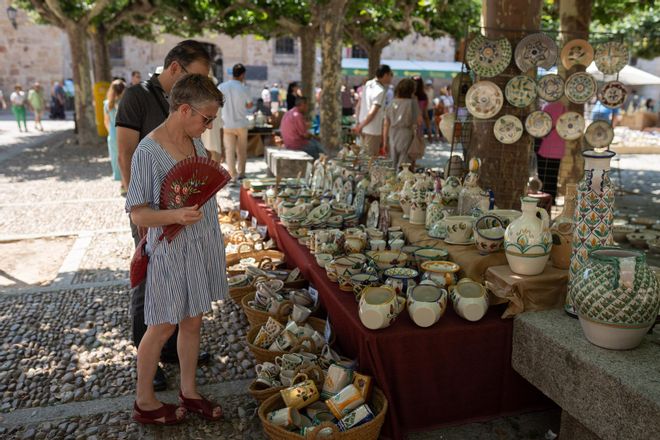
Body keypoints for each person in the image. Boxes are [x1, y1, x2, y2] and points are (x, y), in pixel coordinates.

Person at [126, 73, 227, 426]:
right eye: (206, 118)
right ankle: (145, 401)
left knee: (193, 320)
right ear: (184, 110)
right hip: (169, 250)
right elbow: (138, 212)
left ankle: (189, 390)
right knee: (162, 326)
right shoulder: (148, 151)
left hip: (198, 245)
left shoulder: (195, 142)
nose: (209, 125)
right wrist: (175, 215)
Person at [116, 39, 213, 392]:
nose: (199, 83)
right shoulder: (137, 98)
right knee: (153, 301)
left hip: (185, 228)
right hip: (158, 220)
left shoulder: (193, 133)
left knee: (187, 315)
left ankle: (180, 370)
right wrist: (148, 211)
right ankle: (148, 375)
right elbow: (127, 155)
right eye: (196, 77)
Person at [218, 63, 253, 184]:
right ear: (242, 74)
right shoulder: (244, 88)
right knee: (241, 150)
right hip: (241, 123)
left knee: (229, 150)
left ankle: (232, 176)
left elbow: (218, 104)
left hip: (227, 123)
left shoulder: (221, 87)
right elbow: (250, 105)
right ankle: (241, 174)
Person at [354, 64, 394, 157]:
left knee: (363, 157)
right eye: (390, 75)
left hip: (363, 126)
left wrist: (358, 124)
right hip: (372, 129)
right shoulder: (380, 90)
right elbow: (373, 111)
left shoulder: (368, 84)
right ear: (386, 75)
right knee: (370, 160)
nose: (391, 78)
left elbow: (358, 105)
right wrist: (360, 125)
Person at [383, 78, 418, 170]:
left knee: (392, 163)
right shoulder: (412, 104)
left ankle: (392, 182)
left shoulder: (391, 103)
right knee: (404, 164)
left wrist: (384, 142)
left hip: (392, 133)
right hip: (406, 133)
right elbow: (418, 121)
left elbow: (386, 123)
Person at [537, 101, 566, 203]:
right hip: (558, 149)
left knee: (543, 177)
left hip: (544, 147)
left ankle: (543, 202)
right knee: (553, 177)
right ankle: (551, 201)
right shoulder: (564, 108)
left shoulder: (546, 106)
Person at [103, 79, 126, 184]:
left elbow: (106, 122)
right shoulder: (126, 103)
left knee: (116, 160)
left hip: (112, 135)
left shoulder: (107, 104)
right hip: (124, 134)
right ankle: (125, 183)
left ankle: (121, 183)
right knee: (126, 159)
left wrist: (111, 132)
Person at [412, 76, 432, 142]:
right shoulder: (424, 96)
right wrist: (429, 133)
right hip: (418, 126)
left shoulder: (406, 95)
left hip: (407, 126)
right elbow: (425, 115)